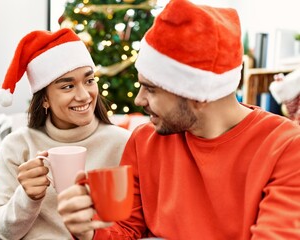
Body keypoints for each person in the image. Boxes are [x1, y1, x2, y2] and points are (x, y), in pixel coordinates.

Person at [56, 0, 300, 239]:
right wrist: (90, 231)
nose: (139, 100)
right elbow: (124, 228)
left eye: (150, 89)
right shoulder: (144, 140)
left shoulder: (286, 148)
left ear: (198, 94)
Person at [0, 28, 130, 239]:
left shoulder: (122, 143)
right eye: (67, 86)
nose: (84, 95)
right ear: (45, 99)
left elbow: (132, 227)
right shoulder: (17, 145)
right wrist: (27, 197)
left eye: (89, 80)